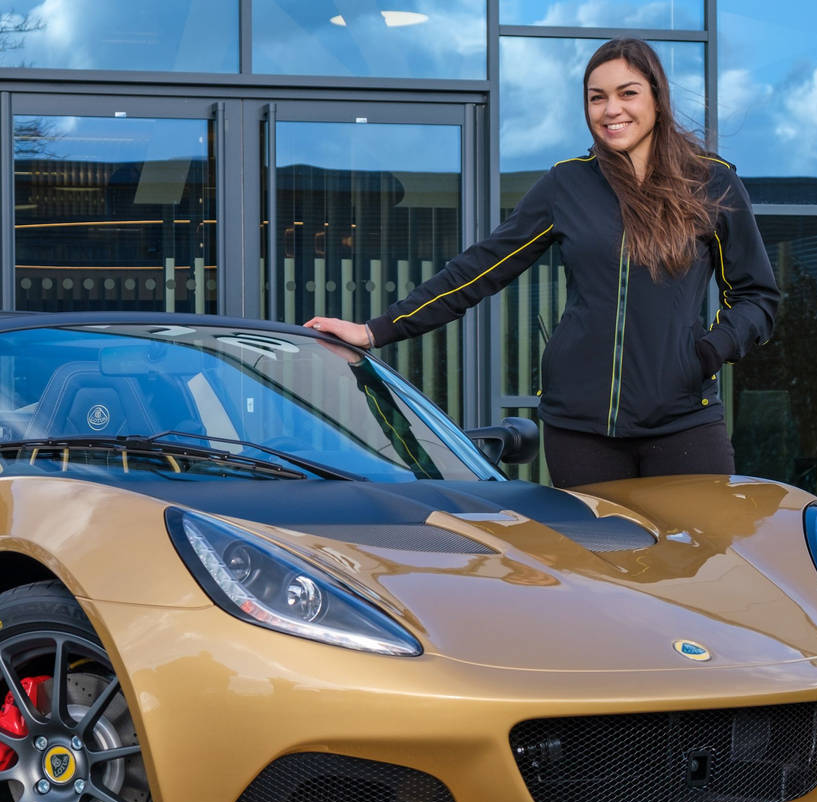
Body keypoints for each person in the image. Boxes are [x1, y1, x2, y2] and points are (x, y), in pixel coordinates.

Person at [307, 37, 780, 489]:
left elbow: (757, 296)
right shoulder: (566, 185)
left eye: (626, 93)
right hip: (581, 427)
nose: (611, 110)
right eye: (597, 98)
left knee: (697, 563)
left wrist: (709, 351)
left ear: (656, 97)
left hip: (684, 421)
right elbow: (480, 269)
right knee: (602, 569)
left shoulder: (711, 184)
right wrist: (376, 331)